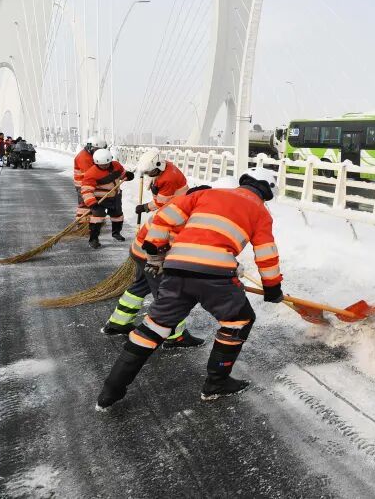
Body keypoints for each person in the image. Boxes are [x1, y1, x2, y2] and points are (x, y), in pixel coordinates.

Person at [96, 168, 284, 409]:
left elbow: (164, 217)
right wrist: (272, 288)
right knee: (239, 321)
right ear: (267, 193)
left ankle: (110, 391)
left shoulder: (207, 194)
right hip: (215, 276)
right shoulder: (260, 212)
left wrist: (155, 251)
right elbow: (266, 254)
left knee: (154, 327)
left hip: (176, 268)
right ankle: (216, 383)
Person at [101, 185, 211, 348]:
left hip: (140, 251)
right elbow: (179, 247)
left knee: (140, 287)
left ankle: (118, 323)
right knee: (169, 295)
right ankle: (175, 336)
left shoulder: (178, 205)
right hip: (153, 256)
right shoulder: (186, 217)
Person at [80, 148, 134, 249]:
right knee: (97, 217)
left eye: (107, 164)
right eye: (102, 165)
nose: (105, 166)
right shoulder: (92, 173)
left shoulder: (116, 165)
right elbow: (86, 190)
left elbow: (122, 174)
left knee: (117, 215)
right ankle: (93, 239)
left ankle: (116, 233)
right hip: (99, 200)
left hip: (115, 196)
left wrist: (127, 175)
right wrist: (92, 203)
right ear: (96, 163)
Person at [134, 151, 189, 215]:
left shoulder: (168, 179)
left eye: (150, 172)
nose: (149, 175)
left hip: (178, 204)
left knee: (160, 219)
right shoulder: (163, 164)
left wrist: (145, 207)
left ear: (159, 166)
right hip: (171, 195)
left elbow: (161, 202)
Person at [74, 137, 105, 222]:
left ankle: (91, 221)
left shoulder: (90, 154)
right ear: (91, 148)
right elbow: (90, 174)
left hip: (89, 184)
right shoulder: (84, 158)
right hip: (83, 185)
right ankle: (82, 222)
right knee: (85, 205)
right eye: (98, 150)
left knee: (92, 204)